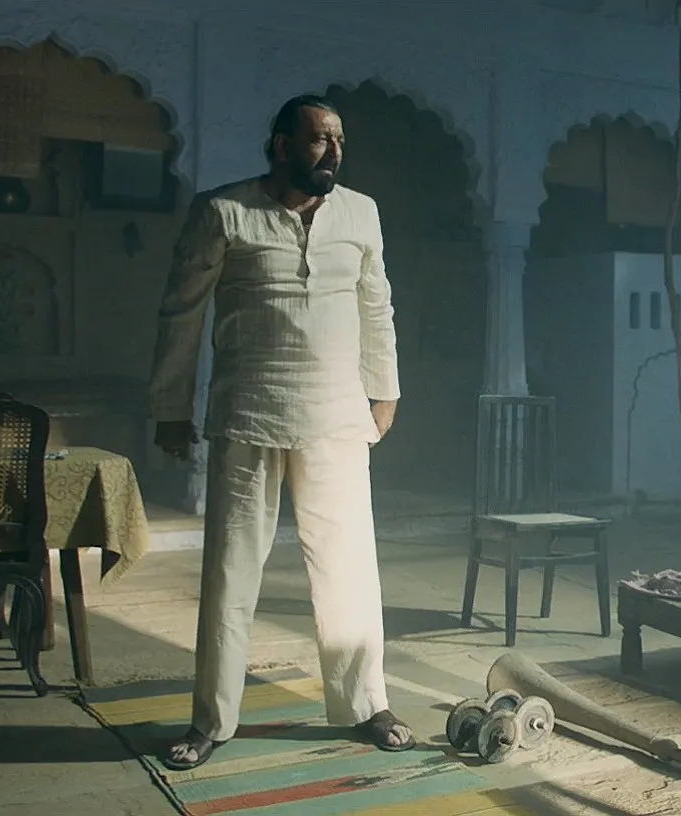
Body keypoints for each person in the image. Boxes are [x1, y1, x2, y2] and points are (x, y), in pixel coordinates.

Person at [147, 94, 413, 771]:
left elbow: (376, 304)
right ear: (281, 145)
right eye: (320, 139)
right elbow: (181, 311)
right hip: (249, 413)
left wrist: (385, 389)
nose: (334, 152)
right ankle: (211, 720)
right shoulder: (223, 212)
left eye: (340, 141)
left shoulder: (360, 212)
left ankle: (366, 704)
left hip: (337, 417)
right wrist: (171, 407)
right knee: (231, 573)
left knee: (349, 571)